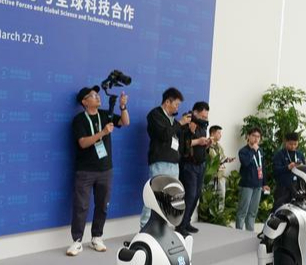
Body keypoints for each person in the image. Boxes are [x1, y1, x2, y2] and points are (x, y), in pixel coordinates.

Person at [68, 86, 130, 256]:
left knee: (102, 205)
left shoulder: (105, 115)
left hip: (105, 169)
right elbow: (83, 143)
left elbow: (125, 122)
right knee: (81, 206)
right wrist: (102, 132)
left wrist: (123, 107)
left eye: (97, 94)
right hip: (85, 170)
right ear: (84, 102)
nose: (97, 97)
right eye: (93, 95)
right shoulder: (79, 120)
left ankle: (97, 237)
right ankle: (77, 241)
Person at [140, 88, 191, 228]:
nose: (177, 108)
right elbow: (164, 135)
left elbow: (180, 143)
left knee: (171, 197)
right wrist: (180, 123)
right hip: (160, 163)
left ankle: (164, 228)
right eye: (176, 104)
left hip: (174, 163)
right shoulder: (155, 115)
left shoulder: (173, 120)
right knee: (154, 196)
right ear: (167, 102)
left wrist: (186, 128)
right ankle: (145, 228)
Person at [179, 101, 211, 236]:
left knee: (196, 195)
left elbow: (200, 144)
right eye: (202, 116)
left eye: (206, 117)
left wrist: (207, 143)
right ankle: (180, 225)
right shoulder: (187, 121)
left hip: (201, 164)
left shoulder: (203, 125)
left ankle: (187, 222)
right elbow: (182, 144)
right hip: (189, 165)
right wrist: (198, 141)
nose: (204, 119)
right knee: (189, 195)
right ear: (195, 112)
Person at [237, 127, 269, 231]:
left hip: (258, 184)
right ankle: (238, 232)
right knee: (243, 211)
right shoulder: (243, 151)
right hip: (247, 184)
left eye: (258, 137)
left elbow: (262, 167)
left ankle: (250, 232)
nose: (256, 139)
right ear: (248, 136)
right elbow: (245, 163)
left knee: (253, 211)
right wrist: (252, 150)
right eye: (254, 136)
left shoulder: (260, 151)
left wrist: (264, 183)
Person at [272, 132, 306, 210]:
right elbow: (275, 170)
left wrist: (301, 166)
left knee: (294, 209)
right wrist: (287, 167)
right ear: (286, 142)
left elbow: (305, 169)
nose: (293, 146)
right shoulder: (280, 154)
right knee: (279, 208)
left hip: (296, 187)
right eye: (291, 144)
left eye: (295, 144)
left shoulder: (300, 154)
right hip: (283, 187)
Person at [207, 125, 232, 203]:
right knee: (211, 198)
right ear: (212, 133)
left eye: (220, 133)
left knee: (221, 197)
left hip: (220, 175)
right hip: (211, 177)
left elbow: (222, 157)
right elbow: (212, 159)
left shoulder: (219, 146)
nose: (220, 135)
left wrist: (227, 159)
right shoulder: (207, 145)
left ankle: (220, 211)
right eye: (218, 133)